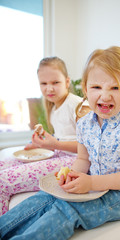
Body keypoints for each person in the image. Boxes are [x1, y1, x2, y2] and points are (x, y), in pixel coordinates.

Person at [0, 46, 120, 240]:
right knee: (45, 196)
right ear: (85, 88)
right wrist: (73, 175)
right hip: (94, 185)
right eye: (97, 87)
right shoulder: (85, 122)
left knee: (66, 209)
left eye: (116, 87)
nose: (105, 96)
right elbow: (82, 159)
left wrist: (91, 182)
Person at [0, 56, 90, 216]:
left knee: (3, 180)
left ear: (67, 82)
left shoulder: (76, 105)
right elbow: (63, 137)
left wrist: (54, 144)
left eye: (55, 82)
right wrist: (39, 144)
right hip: (59, 153)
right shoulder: (55, 108)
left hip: (76, 160)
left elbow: (91, 145)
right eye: (44, 83)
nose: (49, 88)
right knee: (3, 164)